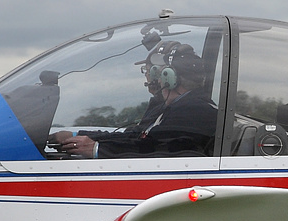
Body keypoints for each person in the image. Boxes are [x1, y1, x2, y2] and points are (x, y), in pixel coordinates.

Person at [56, 43, 217, 158]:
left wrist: (96, 149)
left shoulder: (193, 111)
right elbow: (138, 137)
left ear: (171, 79)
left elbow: (150, 150)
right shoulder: (180, 106)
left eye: (161, 75)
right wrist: (82, 137)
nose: (157, 80)